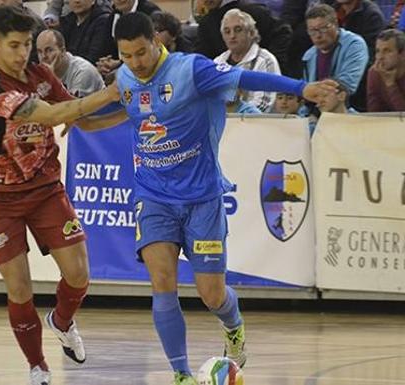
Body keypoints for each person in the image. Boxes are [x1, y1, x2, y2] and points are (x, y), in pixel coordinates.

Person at [70, 12, 337, 385]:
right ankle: (181, 374)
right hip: (153, 195)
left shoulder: (192, 71)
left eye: (142, 53)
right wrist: (79, 119)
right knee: (162, 282)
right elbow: (125, 110)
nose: (136, 63)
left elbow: (247, 77)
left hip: (202, 197)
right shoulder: (126, 77)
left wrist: (300, 87)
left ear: (157, 42)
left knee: (211, 294)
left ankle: (233, 325)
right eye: (126, 55)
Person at [0, 6, 122, 385]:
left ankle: (62, 321)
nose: (23, 53)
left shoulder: (40, 74)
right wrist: (115, 90)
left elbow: (80, 118)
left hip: (45, 190)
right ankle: (38, 367)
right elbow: (54, 116)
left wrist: (131, 113)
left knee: (79, 274)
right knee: (19, 287)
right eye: (15, 45)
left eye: (27, 45)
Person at [36, 29, 105, 97]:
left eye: (49, 50)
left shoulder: (83, 72)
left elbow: (75, 106)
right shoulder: (39, 73)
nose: (43, 56)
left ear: (63, 51)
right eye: (39, 52)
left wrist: (51, 79)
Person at [367, 29, 405, 112]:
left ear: (402, 54)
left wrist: (390, 84)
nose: (380, 57)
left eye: (387, 51)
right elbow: (374, 113)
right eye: (378, 51)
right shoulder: (374, 72)